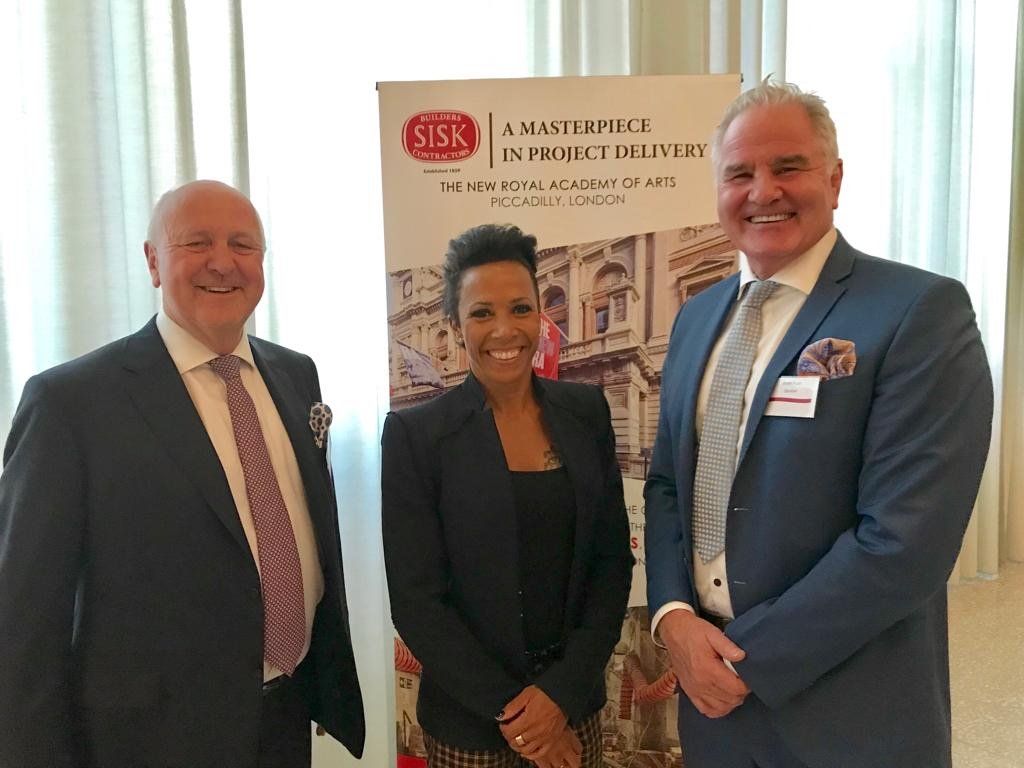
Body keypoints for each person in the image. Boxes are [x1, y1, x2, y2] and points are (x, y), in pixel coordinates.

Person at [644, 79, 993, 768]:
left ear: (834, 180)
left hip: (846, 707)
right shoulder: (695, 319)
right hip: (710, 704)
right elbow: (666, 487)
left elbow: (904, 543)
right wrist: (674, 619)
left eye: (789, 167)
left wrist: (744, 661)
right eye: (739, 174)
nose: (763, 191)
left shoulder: (918, 312)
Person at [0, 180, 365, 767]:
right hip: (150, 740)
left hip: (286, 715)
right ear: (153, 261)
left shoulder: (296, 375)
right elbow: (24, 622)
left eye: (242, 244)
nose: (222, 262)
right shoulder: (70, 403)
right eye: (197, 243)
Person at [381, 224, 633, 768]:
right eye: (481, 313)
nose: (504, 330)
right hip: (471, 726)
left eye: (520, 309)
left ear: (540, 315)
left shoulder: (586, 412)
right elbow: (417, 602)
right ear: (455, 326)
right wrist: (523, 719)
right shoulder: (416, 437)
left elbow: (612, 564)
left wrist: (558, 697)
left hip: (573, 711)